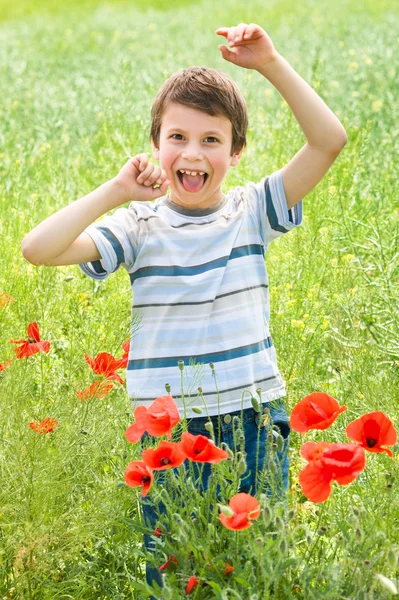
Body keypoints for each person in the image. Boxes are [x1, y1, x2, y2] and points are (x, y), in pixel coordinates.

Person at [22, 22, 347, 596]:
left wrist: (269, 62)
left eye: (211, 140)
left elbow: (329, 140)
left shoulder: (253, 211)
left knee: (257, 564)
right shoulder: (138, 225)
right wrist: (116, 191)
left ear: (237, 151)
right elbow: (37, 249)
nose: (192, 154)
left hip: (253, 421)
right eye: (177, 137)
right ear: (156, 145)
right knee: (177, 570)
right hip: (168, 430)